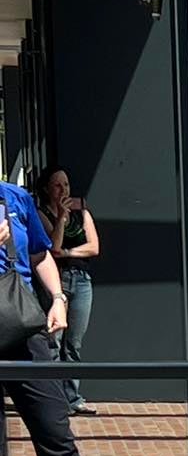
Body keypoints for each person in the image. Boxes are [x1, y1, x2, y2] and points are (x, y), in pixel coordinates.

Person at [0, 178, 141, 456]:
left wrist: (58, 299)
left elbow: (41, 254)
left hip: (23, 326)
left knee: (55, 430)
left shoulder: (13, 197)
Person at [34, 165, 99, 416]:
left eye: (67, 185)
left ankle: (73, 397)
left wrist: (71, 253)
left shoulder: (82, 214)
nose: (64, 190)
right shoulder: (42, 215)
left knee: (74, 343)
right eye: (58, 185)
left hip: (81, 280)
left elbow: (94, 247)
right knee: (54, 341)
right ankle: (54, 399)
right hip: (57, 280)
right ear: (47, 189)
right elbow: (53, 247)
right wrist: (60, 217)